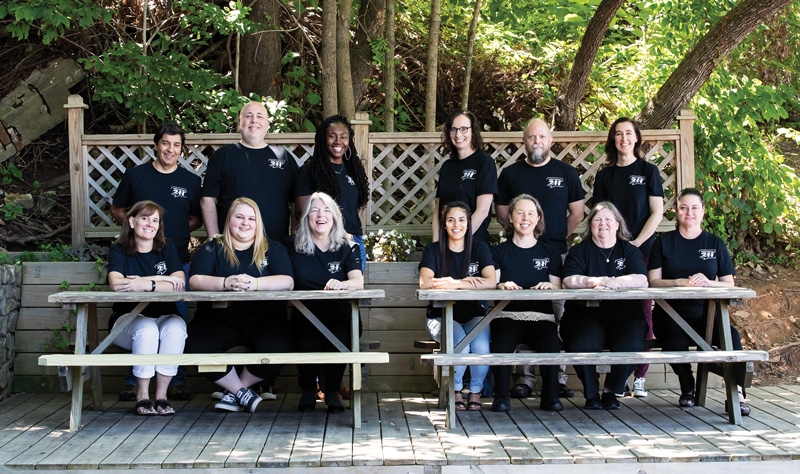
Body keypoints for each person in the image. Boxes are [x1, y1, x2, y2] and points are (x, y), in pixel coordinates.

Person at [110, 123, 200, 402]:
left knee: (176, 321)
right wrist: (138, 233)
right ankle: (132, 383)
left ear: (181, 149)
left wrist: (165, 237)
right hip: (136, 260)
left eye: (176, 145)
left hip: (177, 262)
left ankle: (176, 382)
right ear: (156, 145)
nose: (170, 150)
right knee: (139, 321)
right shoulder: (136, 176)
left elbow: (195, 217)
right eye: (165, 144)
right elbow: (117, 209)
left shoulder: (191, 180)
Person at [496, 118, 584, 399]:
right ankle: (523, 379)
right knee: (519, 315)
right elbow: (500, 212)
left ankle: (555, 378)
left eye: (542, 137)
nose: (537, 142)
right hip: (519, 253)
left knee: (554, 317)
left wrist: (555, 238)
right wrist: (521, 237)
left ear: (551, 140)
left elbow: (578, 214)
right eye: (532, 137)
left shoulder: (567, 173)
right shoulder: (510, 174)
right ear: (524, 140)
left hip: (556, 253)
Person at [186, 197, 294, 413]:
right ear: (229, 220)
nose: (245, 223)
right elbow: (195, 280)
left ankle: (235, 391)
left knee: (279, 347)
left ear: (258, 223)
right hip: (217, 320)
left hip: (265, 320)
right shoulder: (212, 248)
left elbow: (288, 281)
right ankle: (242, 393)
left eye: (251, 218)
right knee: (195, 347)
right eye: (240, 217)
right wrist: (225, 283)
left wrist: (255, 283)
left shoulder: (273, 248)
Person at [648, 188, 750, 415]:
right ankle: (687, 387)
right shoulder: (663, 242)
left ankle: (738, 393)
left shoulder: (715, 243)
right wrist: (679, 282)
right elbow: (653, 281)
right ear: (676, 211)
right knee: (672, 339)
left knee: (731, 336)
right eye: (683, 207)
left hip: (707, 314)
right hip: (669, 313)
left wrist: (709, 283)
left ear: (703, 211)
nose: (689, 212)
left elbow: (729, 284)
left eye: (694, 208)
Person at [593, 118, 664, 398]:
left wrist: (635, 243)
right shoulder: (604, 175)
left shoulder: (648, 171)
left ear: (637, 138)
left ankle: (640, 376)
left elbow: (656, 213)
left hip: (642, 252)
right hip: (609, 255)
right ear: (613, 139)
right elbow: (598, 215)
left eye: (629, 134)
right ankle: (617, 376)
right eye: (618, 134)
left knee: (643, 311)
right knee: (613, 313)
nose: (624, 138)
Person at [561, 201, 648, 410]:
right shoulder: (579, 251)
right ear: (590, 225)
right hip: (586, 314)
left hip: (625, 314)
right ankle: (591, 394)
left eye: (608, 219)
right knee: (582, 343)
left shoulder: (629, 250)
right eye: (598, 220)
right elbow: (568, 280)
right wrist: (593, 281)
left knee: (632, 343)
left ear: (618, 224)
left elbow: (642, 279)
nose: (603, 224)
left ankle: (611, 391)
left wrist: (616, 282)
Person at [107, 200, 187, 416]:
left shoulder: (166, 248)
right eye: (145, 218)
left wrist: (145, 283)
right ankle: (142, 396)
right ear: (132, 221)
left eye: (155, 220)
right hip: (127, 321)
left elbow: (179, 282)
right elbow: (117, 284)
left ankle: (161, 396)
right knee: (147, 329)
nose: (150, 224)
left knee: (176, 329)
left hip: (165, 315)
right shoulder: (118, 250)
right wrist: (163, 280)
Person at [287, 192, 363, 414]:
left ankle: (331, 391)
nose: (321, 215)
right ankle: (309, 389)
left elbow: (358, 281)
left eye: (327, 210)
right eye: (314, 210)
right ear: (306, 217)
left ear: (335, 216)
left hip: (339, 313)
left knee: (339, 336)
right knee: (306, 338)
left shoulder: (347, 245)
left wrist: (343, 285)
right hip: (304, 313)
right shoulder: (292, 245)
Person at [419, 201, 496, 411]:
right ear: (444, 225)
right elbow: (426, 283)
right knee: (461, 343)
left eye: (462, 220)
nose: (456, 224)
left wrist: (456, 283)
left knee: (481, 348)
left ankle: (475, 392)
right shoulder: (433, 250)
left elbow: (491, 282)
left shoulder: (479, 248)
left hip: (474, 314)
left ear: (469, 224)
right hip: (440, 316)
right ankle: (455, 390)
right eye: (451, 220)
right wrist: (471, 282)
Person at [490, 194, 563, 413]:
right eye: (519, 213)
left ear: (538, 218)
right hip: (507, 316)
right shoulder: (498, 251)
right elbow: (492, 281)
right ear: (510, 218)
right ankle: (501, 396)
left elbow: (558, 286)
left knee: (551, 343)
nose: (525, 218)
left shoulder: (550, 251)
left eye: (531, 213)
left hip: (542, 318)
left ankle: (550, 398)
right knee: (501, 342)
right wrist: (501, 285)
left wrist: (550, 287)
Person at [201, 101, 298, 241]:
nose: (254, 121)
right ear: (239, 122)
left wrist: (293, 238)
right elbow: (208, 199)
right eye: (248, 116)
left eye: (259, 116)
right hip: (231, 247)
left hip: (275, 245)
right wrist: (214, 237)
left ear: (267, 124)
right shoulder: (223, 156)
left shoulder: (284, 158)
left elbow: (295, 202)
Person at [295, 115, 370, 269]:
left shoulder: (354, 170)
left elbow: (353, 206)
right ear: (323, 139)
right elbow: (302, 211)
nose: (338, 142)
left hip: (352, 242)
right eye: (332, 136)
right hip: (322, 243)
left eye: (343, 137)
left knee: (353, 290)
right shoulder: (310, 171)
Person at [432, 111, 497, 244]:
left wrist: (458, 239)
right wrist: (435, 247)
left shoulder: (484, 162)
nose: (458, 134)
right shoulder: (447, 167)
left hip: (473, 243)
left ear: (473, 131)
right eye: (454, 129)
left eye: (463, 129)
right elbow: (437, 213)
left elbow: (483, 211)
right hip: (446, 245)